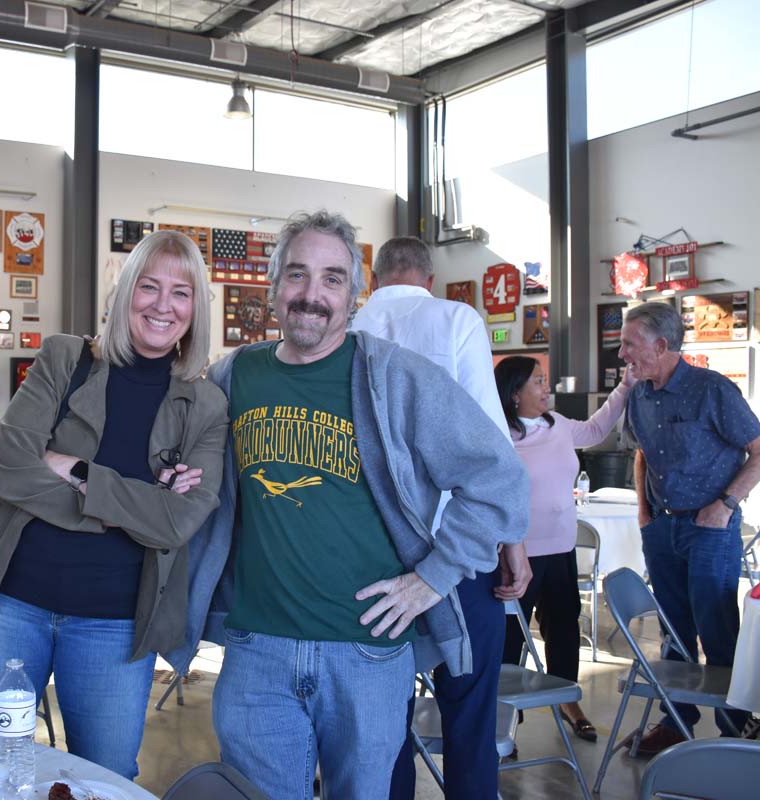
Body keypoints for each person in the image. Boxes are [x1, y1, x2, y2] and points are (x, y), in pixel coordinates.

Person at [166, 211, 529, 799]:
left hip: (367, 654)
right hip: (257, 653)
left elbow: (500, 480)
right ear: (273, 285)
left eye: (333, 279)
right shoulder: (233, 376)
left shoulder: (396, 377)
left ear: (356, 297)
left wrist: (433, 578)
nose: (312, 295)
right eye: (297, 275)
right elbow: (191, 471)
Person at [0, 230, 228, 779]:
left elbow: (176, 522)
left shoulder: (206, 405)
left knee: (102, 780)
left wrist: (74, 469)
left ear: (196, 308)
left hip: (114, 624)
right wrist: (137, 504)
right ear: (125, 293)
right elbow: (10, 469)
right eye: (148, 287)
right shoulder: (65, 358)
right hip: (6, 605)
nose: (162, 305)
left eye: (181, 293)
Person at [352, 236, 532, 799]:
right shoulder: (455, 320)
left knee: (385, 712)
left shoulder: (349, 326)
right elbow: (489, 441)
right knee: (470, 700)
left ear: (374, 279)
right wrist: (513, 541)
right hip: (452, 541)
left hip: (369, 543)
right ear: (428, 278)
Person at [618, 300, 760, 755]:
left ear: (661, 345)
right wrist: (643, 511)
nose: (622, 355)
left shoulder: (711, 390)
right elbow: (641, 452)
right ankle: (677, 723)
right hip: (662, 528)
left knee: (716, 629)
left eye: (629, 345)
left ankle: (734, 732)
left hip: (710, 529)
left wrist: (726, 505)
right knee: (673, 634)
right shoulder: (640, 394)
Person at [495, 356, 636, 742]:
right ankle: (504, 714)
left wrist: (624, 387)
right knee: (510, 633)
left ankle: (567, 699)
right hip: (515, 551)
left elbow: (595, 429)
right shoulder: (498, 434)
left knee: (562, 624)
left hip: (561, 546)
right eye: (538, 383)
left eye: (546, 380)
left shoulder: (556, 426)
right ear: (514, 394)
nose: (547, 389)